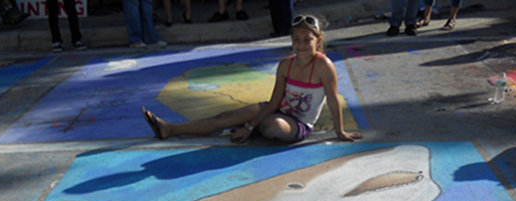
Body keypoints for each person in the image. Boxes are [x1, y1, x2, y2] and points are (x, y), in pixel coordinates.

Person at [141, 15, 362, 144]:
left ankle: (246, 128)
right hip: (275, 110)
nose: (301, 45)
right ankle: (170, 129)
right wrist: (251, 124)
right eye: (296, 40)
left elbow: (333, 100)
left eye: (307, 40)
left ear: (318, 41)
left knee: (272, 126)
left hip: (298, 124)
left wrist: (340, 132)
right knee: (226, 116)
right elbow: (274, 102)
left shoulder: (324, 66)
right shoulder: (286, 64)